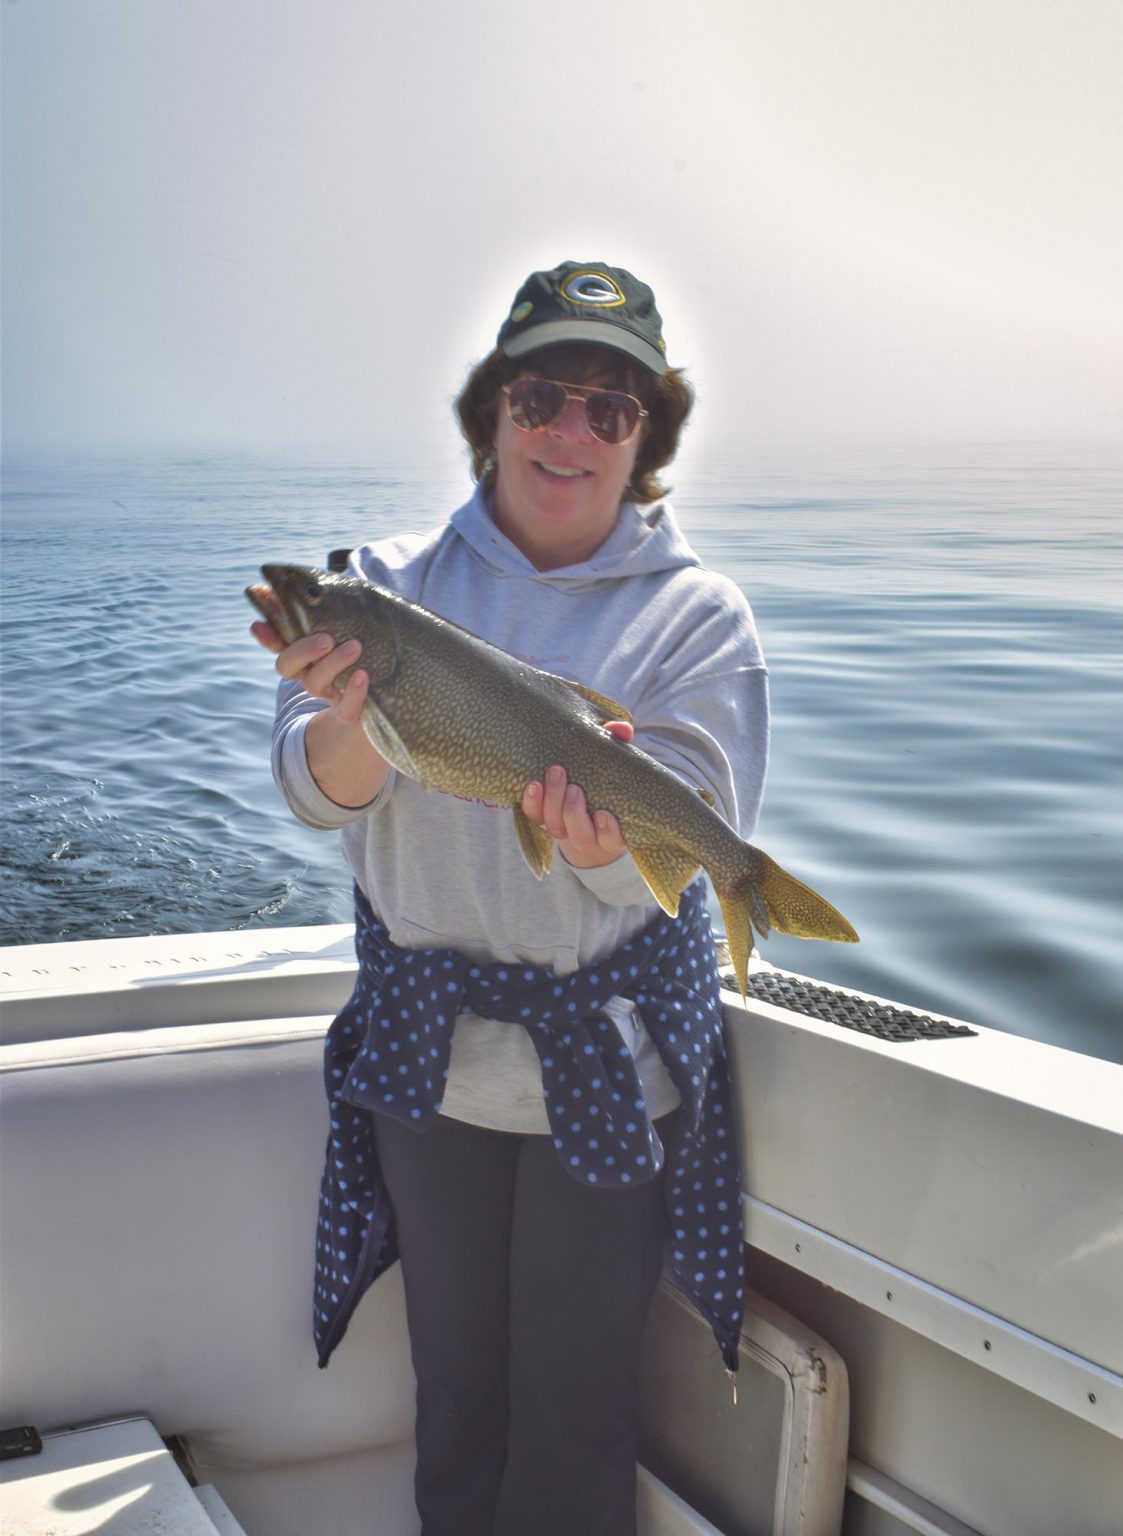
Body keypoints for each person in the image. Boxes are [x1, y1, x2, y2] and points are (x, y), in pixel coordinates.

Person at [250, 260, 769, 1536]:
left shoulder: (699, 618)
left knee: (573, 1405)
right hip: (431, 1068)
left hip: (608, 1067)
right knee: (456, 1388)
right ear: (493, 408)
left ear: (647, 437)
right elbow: (314, 795)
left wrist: (600, 839)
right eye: (542, 395)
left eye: (611, 407)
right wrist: (359, 716)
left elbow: (670, 854)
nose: (569, 430)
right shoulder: (382, 580)